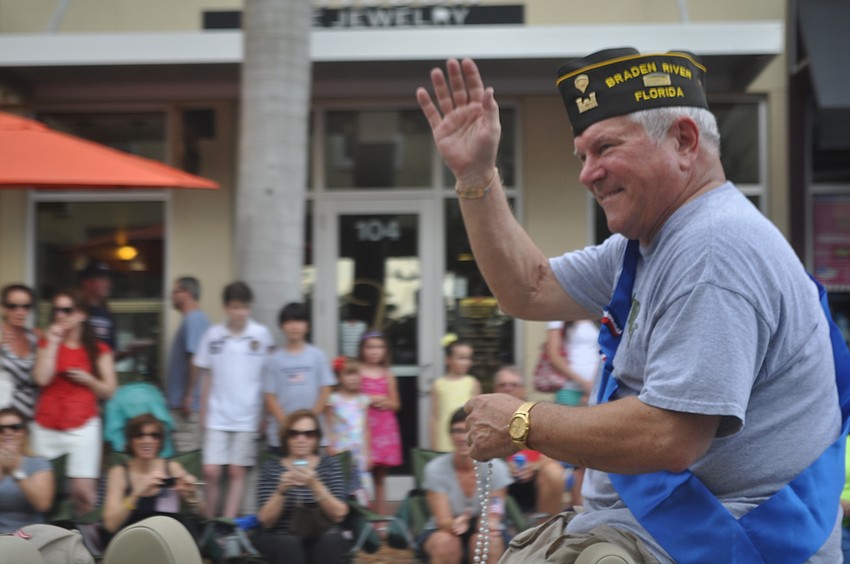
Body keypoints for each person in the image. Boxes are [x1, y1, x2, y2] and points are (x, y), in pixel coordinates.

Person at [417, 51, 846, 562]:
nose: (587, 174)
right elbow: (527, 289)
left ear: (684, 141)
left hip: (721, 543)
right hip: (647, 533)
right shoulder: (653, 242)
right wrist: (476, 175)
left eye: (604, 148)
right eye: (582, 156)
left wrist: (522, 421)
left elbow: (670, 436)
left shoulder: (712, 248)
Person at [32, 288, 117, 516]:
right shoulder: (46, 342)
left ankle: (83, 542)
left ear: (82, 315)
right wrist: (52, 343)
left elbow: (109, 391)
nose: (60, 315)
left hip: (83, 425)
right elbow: (41, 378)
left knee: (83, 493)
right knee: (45, 493)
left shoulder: (98, 349)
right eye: (56, 310)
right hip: (47, 424)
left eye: (67, 310)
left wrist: (89, 379)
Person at [194, 281, 274, 519]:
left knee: (237, 472)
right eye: (235, 307)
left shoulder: (261, 335)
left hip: (248, 415)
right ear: (226, 307)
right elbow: (206, 375)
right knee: (210, 471)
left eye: (244, 307)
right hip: (217, 413)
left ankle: (227, 525)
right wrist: (203, 410)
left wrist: (265, 414)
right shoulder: (213, 335)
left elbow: (268, 377)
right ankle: (210, 522)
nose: (240, 313)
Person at [253, 409, 350, 564]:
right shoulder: (271, 468)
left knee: (329, 542)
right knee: (289, 545)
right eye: (294, 433)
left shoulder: (330, 465)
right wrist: (281, 490)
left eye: (308, 434)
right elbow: (265, 521)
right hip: (280, 534)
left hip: (322, 531)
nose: (301, 439)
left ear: (317, 438)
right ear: (286, 437)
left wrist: (315, 485)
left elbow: (339, 514)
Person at [420, 407, 511, 564]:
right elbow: (442, 520)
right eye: (457, 431)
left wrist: (475, 522)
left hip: (484, 528)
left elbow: (493, 513)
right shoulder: (435, 469)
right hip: (445, 529)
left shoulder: (496, 468)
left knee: (486, 543)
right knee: (446, 544)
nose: (462, 437)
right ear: (450, 436)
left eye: (469, 430)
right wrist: (456, 523)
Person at [102, 413, 203, 541]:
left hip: (168, 536)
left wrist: (192, 496)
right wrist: (136, 494)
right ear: (130, 441)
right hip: (133, 538)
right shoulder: (119, 473)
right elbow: (110, 525)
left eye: (154, 436)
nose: (147, 440)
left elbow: (201, 514)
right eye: (139, 435)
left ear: (160, 441)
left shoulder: (172, 468)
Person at [493, 366, 568, 515]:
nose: (508, 389)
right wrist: (503, 465)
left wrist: (533, 466)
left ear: (524, 390)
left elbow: (552, 456)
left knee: (553, 471)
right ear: (495, 389)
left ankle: (546, 530)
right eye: (503, 385)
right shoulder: (487, 418)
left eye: (514, 385)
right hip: (499, 480)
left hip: (533, 478)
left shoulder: (537, 416)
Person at [262, 302, 335, 454]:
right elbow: (269, 397)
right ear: (282, 326)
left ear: (307, 326)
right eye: (289, 321)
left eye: (299, 321)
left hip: (310, 435)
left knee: (310, 476)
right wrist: (288, 425)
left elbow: (326, 391)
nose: (294, 326)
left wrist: (309, 422)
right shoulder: (273, 360)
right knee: (283, 477)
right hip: (282, 435)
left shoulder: (318, 356)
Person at [356, 330, 401, 515]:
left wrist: (386, 402)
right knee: (360, 477)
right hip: (362, 428)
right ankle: (363, 517)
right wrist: (369, 398)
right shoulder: (356, 371)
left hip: (383, 429)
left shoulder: (387, 374)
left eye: (379, 347)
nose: (375, 351)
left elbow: (396, 404)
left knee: (380, 478)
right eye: (370, 347)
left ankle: (381, 520)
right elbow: (349, 398)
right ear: (362, 349)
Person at [167, 276, 210, 454]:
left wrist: (189, 395)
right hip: (184, 406)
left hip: (188, 409)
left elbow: (196, 358)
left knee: (187, 460)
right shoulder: (192, 320)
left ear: (187, 293)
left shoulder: (194, 319)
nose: (172, 296)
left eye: (175, 291)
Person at [325, 356, 371, 505]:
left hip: (360, 454)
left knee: (362, 492)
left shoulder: (363, 400)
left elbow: (366, 428)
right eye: (348, 374)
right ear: (339, 376)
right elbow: (329, 426)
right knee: (341, 490)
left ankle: (362, 522)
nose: (354, 378)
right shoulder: (333, 400)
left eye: (356, 373)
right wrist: (329, 445)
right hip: (341, 452)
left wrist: (369, 453)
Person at [0, 407, 54, 532]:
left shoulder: (37, 462)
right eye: (1, 429)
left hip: (30, 536)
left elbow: (43, 505)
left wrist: (16, 472)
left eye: (15, 427)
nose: (8, 432)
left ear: (25, 432)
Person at [430, 339, 480, 452]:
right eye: (462, 358)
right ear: (448, 359)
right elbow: (434, 416)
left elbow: (477, 415)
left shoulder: (473, 383)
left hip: (466, 436)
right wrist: (433, 443)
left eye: (469, 358)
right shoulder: (438, 384)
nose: (466, 362)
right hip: (444, 438)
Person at [1, 284, 39, 417]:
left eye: (26, 306)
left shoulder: (34, 338)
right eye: (13, 306)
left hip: (31, 415)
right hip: (4, 418)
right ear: (3, 308)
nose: (20, 311)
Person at [545, 320, 600, 406]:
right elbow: (554, 356)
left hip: (597, 387)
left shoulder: (599, 315)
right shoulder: (558, 318)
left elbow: (606, 352)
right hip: (568, 387)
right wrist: (584, 383)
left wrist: (595, 382)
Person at [78, 261, 117, 350]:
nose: (108, 284)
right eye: (103, 280)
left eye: (108, 280)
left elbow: (111, 352)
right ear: (87, 282)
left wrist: (129, 352)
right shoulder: (75, 310)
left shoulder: (108, 313)